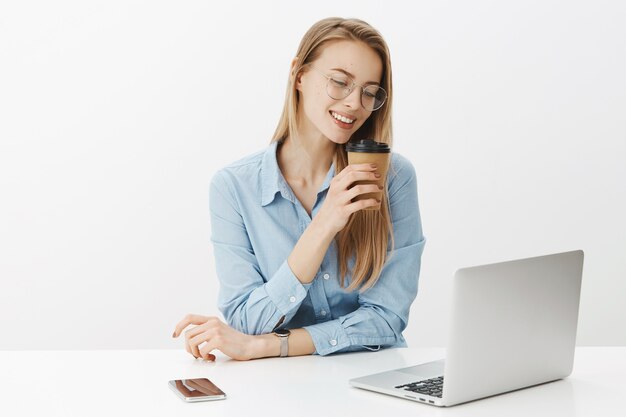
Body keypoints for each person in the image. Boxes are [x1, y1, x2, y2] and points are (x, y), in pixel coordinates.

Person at [172, 17, 426, 361]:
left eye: (369, 92)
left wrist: (269, 345)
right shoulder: (233, 188)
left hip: (370, 377)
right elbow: (248, 320)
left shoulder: (393, 178)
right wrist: (324, 224)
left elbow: (386, 320)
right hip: (280, 387)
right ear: (299, 75)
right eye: (340, 82)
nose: (354, 103)